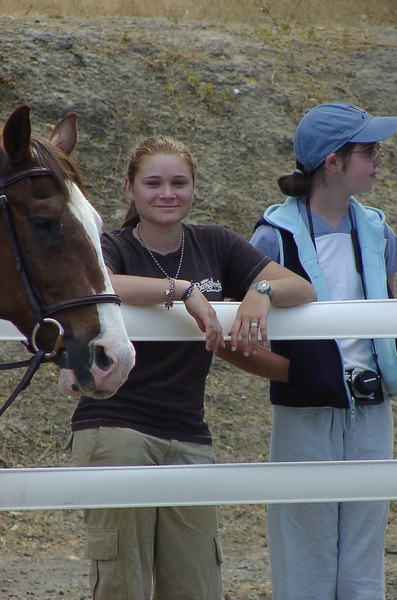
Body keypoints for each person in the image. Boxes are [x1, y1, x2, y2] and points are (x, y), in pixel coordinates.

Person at [68, 134, 316, 600]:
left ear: (193, 187)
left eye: (179, 183)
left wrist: (259, 292)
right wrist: (181, 290)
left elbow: (301, 289)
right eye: (153, 183)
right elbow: (101, 284)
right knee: (124, 584)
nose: (167, 193)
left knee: (197, 585)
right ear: (129, 188)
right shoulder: (109, 246)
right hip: (116, 429)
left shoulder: (215, 243)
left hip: (189, 434)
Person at [250, 103, 397, 600]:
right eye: (369, 150)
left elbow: (388, 312)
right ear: (333, 162)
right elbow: (245, 324)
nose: (379, 159)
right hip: (307, 413)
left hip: (372, 411)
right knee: (305, 554)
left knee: (364, 557)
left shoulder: (379, 232)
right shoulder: (273, 236)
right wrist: (296, 375)